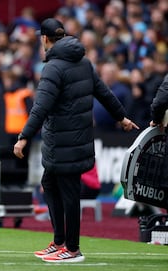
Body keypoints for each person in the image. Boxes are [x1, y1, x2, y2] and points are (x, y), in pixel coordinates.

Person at [13, 18, 139, 263]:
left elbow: (40, 107)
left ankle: (72, 249)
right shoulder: (83, 62)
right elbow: (103, 91)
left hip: (64, 142)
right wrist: (121, 116)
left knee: (68, 193)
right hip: (76, 140)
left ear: (45, 39)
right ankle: (59, 241)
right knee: (50, 184)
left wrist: (23, 137)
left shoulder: (53, 67)